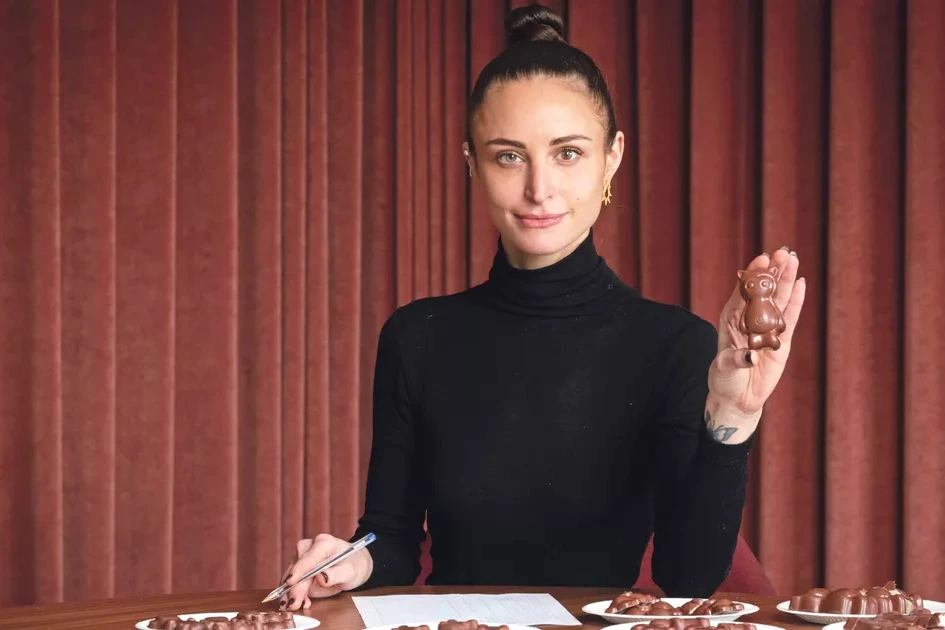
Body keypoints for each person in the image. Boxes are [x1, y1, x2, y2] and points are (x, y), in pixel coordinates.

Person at [277, 3, 806, 612]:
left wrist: (733, 418)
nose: (538, 189)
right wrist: (352, 556)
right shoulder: (416, 336)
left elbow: (687, 578)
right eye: (508, 156)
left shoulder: (676, 344)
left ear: (612, 158)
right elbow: (392, 539)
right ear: (472, 165)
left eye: (569, 153)